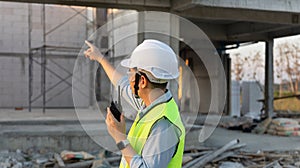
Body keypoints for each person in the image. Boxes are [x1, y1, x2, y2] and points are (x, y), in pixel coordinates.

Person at [84, 39, 185, 168]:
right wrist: (100, 58)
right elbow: (121, 83)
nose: (129, 79)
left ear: (142, 81)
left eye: (131, 73)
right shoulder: (150, 104)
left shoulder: (164, 125)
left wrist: (120, 138)